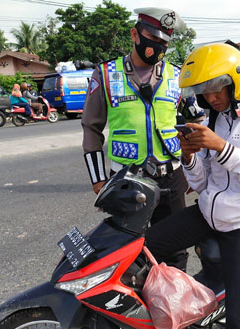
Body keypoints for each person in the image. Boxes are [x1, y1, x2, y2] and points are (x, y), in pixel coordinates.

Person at [146, 43, 240, 329]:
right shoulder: (215, 119)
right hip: (208, 214)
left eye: (217, 88)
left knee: (239, 321)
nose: (210, 97)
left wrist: (222, 147)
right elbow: (203, 183)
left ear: (236, 82)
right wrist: (188, 157)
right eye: (204, 90)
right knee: (145, 248)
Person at [81, 7, 189, 269]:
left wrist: (195, 167)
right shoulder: (106, 74)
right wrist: (98, 180)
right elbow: (91, 128)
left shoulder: (177, 76)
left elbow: (195, 121)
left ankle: (174, 305)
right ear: (135, 34)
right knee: (126, 251)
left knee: (175, 250)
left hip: (171, 177)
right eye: (154, 39)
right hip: (128, 179)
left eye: (164, 42)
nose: (159, 47)